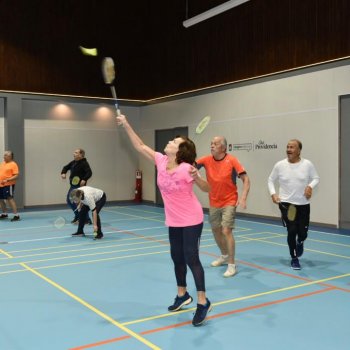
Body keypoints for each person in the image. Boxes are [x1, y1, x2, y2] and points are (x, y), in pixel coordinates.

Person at [116, 114, 212, 327]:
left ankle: (203, 302)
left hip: (191, 219)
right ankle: (182, 295)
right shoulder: (161, 160)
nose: (170, 142)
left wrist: (198, 177)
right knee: (176, 257)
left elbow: (207, 188)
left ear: (181, 151)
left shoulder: (187, 168)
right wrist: (126, 124)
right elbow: (140, 146)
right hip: (174, 220)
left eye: (174, 142)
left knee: (191, 258)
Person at [195, 136, 250, 278]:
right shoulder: (206, 160)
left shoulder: (232, 160)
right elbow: (190, 166)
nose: (212, 145)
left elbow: (246, 179)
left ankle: (232, 265)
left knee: (226, 231)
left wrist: (243, 197)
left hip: (229, 201)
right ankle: (224, 255)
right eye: (211, 143)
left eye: (216, 144)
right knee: (216, 230)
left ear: (224, 148)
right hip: (214, 201)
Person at [268, 139, 319, 270]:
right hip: (286, 204)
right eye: (288, 147)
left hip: (303, 205)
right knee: (292, 230)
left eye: (292, 147)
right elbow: (270, 180)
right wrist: (273, 193)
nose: (289, 149)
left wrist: (310, 186)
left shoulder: (307, 164)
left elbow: (316, 178)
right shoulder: (279, 165)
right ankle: (294, 258)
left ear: (299, 150)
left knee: (303, 233)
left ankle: (300, 241)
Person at [61, 148, 92, 224]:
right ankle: (79, 216)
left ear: (81, 155)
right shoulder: (73, 162)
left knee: (78, 202)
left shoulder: (84, 163)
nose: (73, 153)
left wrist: (84, 179)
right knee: (70, 201)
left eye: (76, 152)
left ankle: (85, 219)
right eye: (74, 152)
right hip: (73, 185)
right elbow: (65, 167)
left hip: (80, 186)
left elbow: (89, 172)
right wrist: (63, 173)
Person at [0, 150, 20, 221]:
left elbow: (16, 175)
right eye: (4, 155)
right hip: (1, 185)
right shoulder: (2, 164)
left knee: (9, 198)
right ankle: (4, 214)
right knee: (1, 199)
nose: (3, 156)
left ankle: (16, 215)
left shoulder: (13, 164)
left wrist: (7, 180)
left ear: (10, 156)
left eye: (5, 155)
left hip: (8, 185)